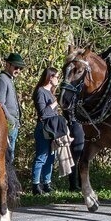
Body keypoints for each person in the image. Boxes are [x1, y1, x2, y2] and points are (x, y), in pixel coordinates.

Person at [32, 67, 66, 195]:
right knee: (41, 156)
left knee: (51, 157)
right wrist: (55, 103)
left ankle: (47, 182)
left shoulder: (50, 92)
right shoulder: (41, 91)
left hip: (52, 128)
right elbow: (43, 113)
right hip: (43, 127)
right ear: (50, 77)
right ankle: (36, 184)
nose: (58, 79)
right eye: (56, 76)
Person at [0, 52, 25, 166]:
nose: (18, 70)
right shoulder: (2, 78)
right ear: (8, 65)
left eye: (20, 68)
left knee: (9, 158)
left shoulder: (9, 79)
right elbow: (0, 103)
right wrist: (10, 120)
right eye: (16, 67)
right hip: (8, 124)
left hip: (13, 124)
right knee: (5, 159)